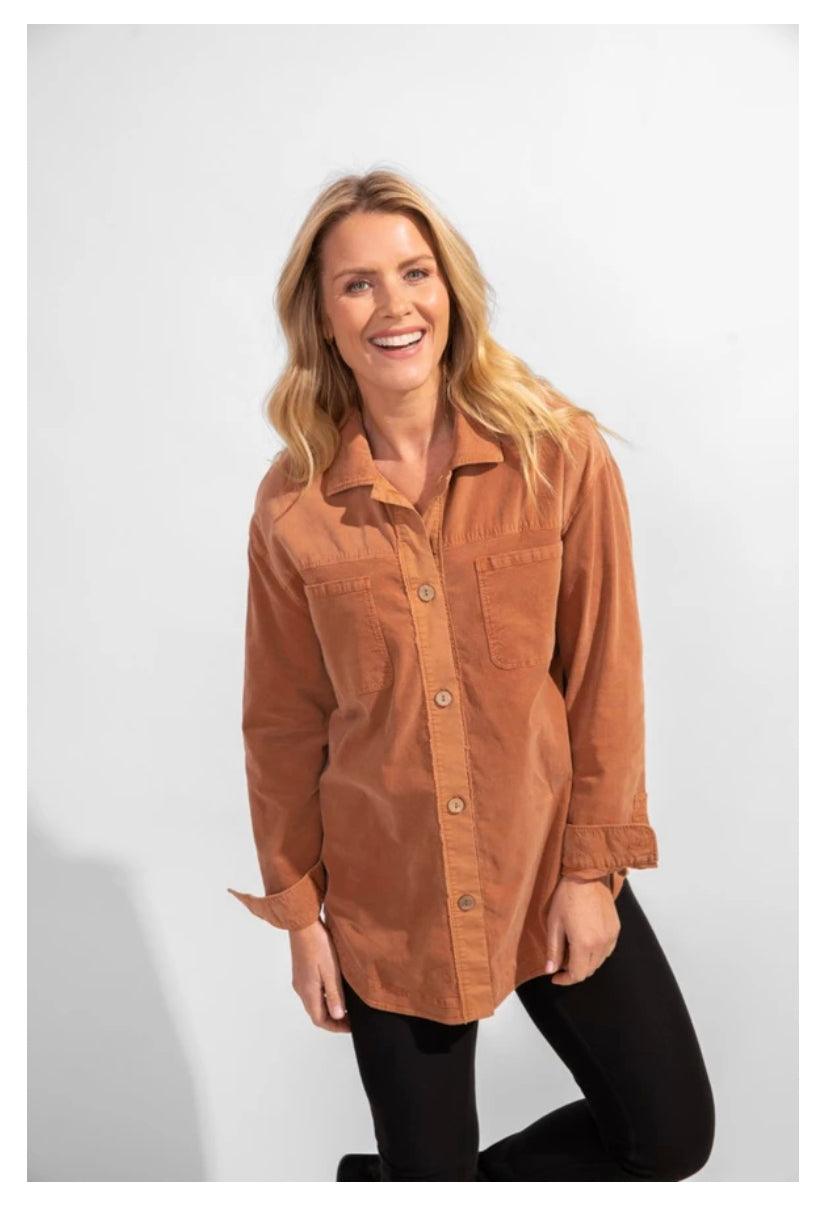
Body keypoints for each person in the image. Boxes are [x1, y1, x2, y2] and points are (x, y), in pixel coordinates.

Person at [227, 169, 715, 1181]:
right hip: (389, 893)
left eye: (416, 272)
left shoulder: (556, 453)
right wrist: (301, 917)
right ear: (322, 316)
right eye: (358, 283)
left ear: (451, 288)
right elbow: (282, 722)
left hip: (541, 862)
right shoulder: (292, 506)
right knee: (431, 1177)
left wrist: (589, 873)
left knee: (667, 1135)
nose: (394, 305)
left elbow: (605, 673)